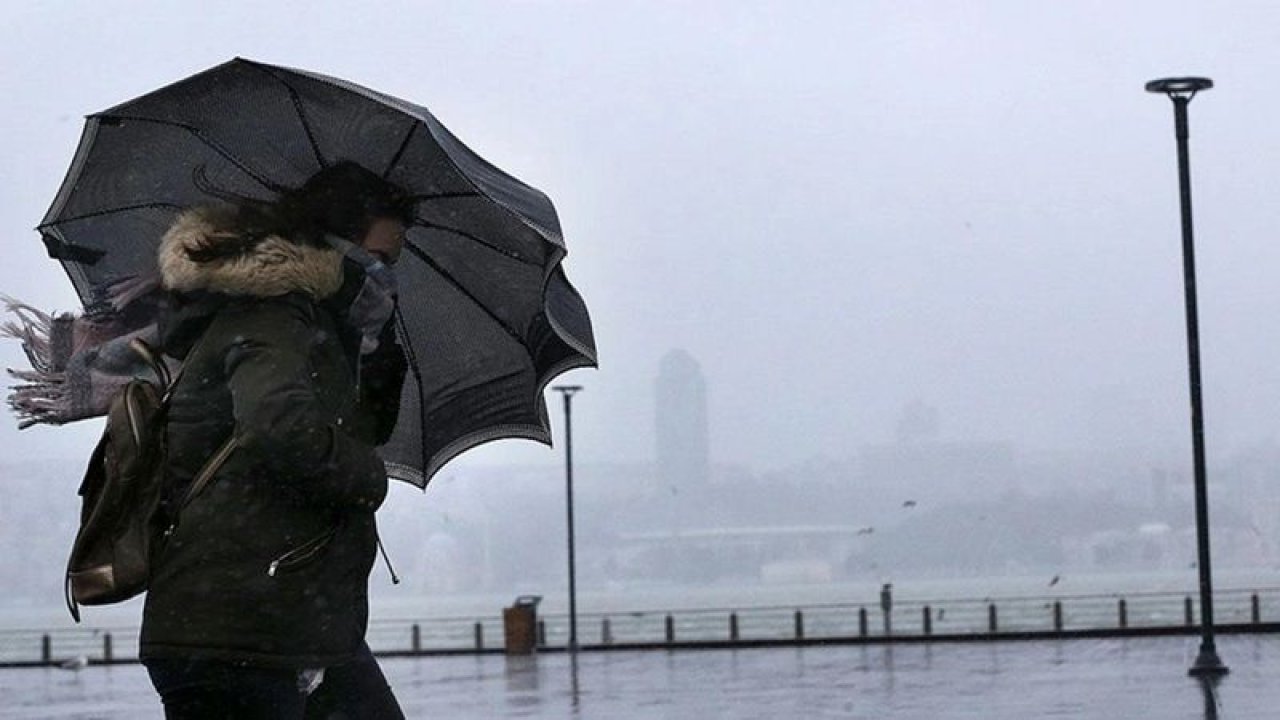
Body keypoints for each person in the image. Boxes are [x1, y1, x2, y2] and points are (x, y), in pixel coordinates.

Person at [138, 161, 414, 718]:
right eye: (377, 259)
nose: (384, 275)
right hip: (238, 629)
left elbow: (363, 426)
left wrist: (377, 347)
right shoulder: (272, 316)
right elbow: (279, 426)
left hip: (292, 621)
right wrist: (369, 478)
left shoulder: (318, 327)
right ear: (333, 245)